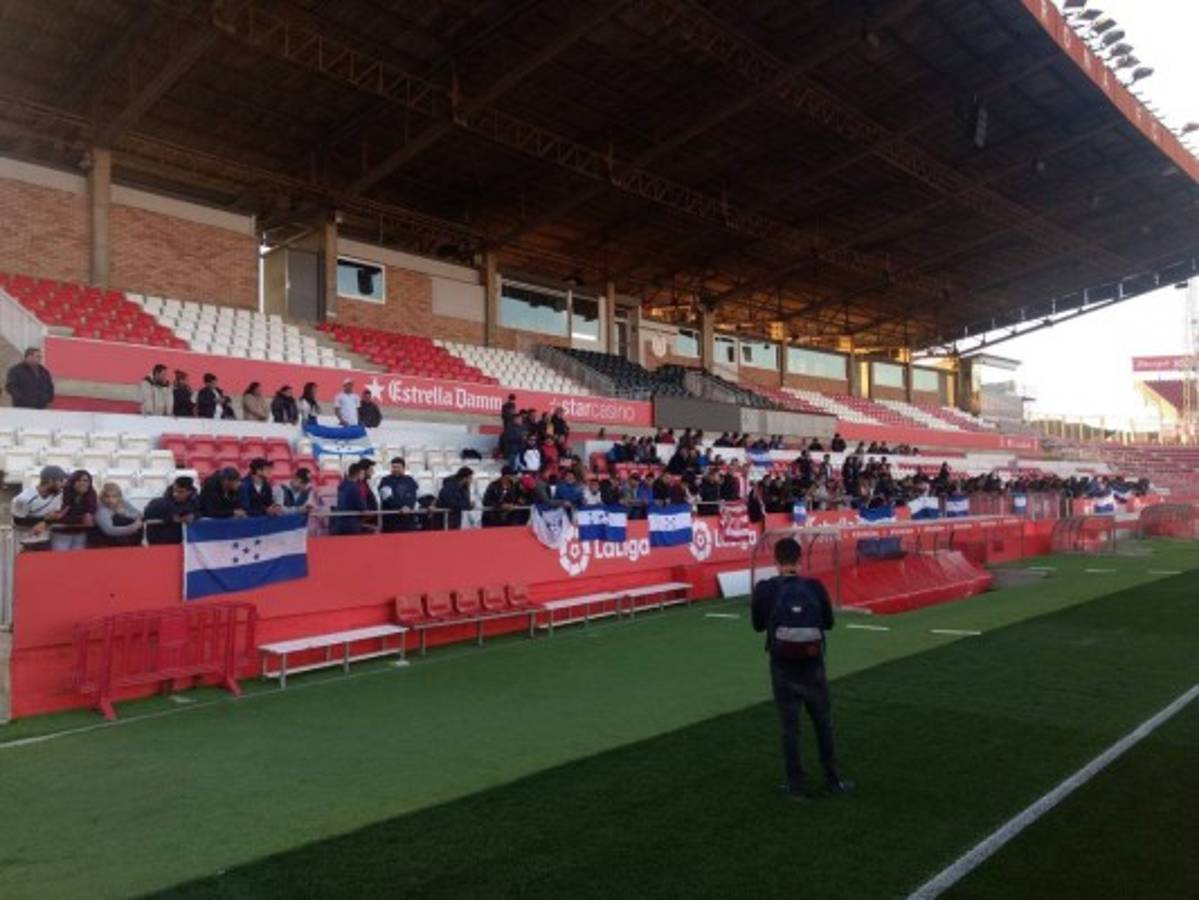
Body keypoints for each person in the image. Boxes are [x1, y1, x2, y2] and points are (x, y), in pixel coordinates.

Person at [751, 537, 852, 799]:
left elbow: (757, 625)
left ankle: (796, 786)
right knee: (823, 723)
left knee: (790, 728)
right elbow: (828, 623)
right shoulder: (815, 586)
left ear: (776, 561)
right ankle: (833, 781)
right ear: (800, 560)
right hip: (812, 665)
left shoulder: (765, 589)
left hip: (782, 667)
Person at [11, 465, 67, 550]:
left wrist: (49, 520)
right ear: (50, 481)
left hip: (45, 541)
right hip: (25, 543)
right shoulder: (24, 498)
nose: (63, 484)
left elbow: (55, 517)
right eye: (61, 480)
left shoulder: (58, 496)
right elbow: (18, 521)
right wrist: (44, 519)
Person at [143, 477, 199, 544]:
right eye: (174, 490)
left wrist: (195, 516)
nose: (175, 494)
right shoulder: (160, 502)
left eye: (180, 492)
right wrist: (171, 518)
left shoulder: (196, 502)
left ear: (189, 492)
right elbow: (146, 514)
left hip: (180, 542)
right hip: (158, 541)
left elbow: (205, 512)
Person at [51, 469, 97, 551]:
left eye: (85, 480)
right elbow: (57, 516)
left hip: (80, 533)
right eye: (78, 480)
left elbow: (91, 516)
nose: (82, 483)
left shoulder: (92, 495)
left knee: (77, 561)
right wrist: (81, 519)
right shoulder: (62, 495)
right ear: (72, 482)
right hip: (62, 533)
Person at [92, 483, 144, 548]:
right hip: (110, 543)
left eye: (114, 496)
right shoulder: (101, 510)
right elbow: (110, 530)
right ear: (102, 497)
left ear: (119, 497)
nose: (110, 500)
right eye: (107, 496)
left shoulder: (122, 502)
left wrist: (125, 513)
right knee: (117, 519)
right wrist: (133, 527)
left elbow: (139, 514)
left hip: (131, 541)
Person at [378, 457, 418, 533]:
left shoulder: (410, 480)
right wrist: (401, 507)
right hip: (391, 522)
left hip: (408, 522)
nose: (395, 469)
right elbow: (387, 498)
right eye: (394, 467)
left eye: (398, 467)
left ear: (403, 468)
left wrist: (408, 506)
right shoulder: (385, 480)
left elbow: (414, 496)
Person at [332, 462, 368, 535]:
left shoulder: (341, 486)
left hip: (339, 523)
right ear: (357, 474)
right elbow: (361, 506)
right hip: (351, 524)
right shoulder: (355, 488)